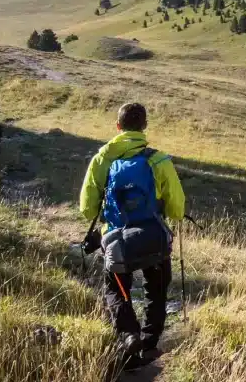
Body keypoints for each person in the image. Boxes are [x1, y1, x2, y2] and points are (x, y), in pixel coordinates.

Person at [78, 101, 185, 366]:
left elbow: (86, 208)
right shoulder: (158, 160)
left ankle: (128, 334)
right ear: (144, 126)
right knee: (156, 289)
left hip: (115, 238)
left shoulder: (102, 159)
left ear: (118, 127)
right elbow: (177, 207)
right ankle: (149, 342)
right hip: (153, 236)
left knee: (116, 289)